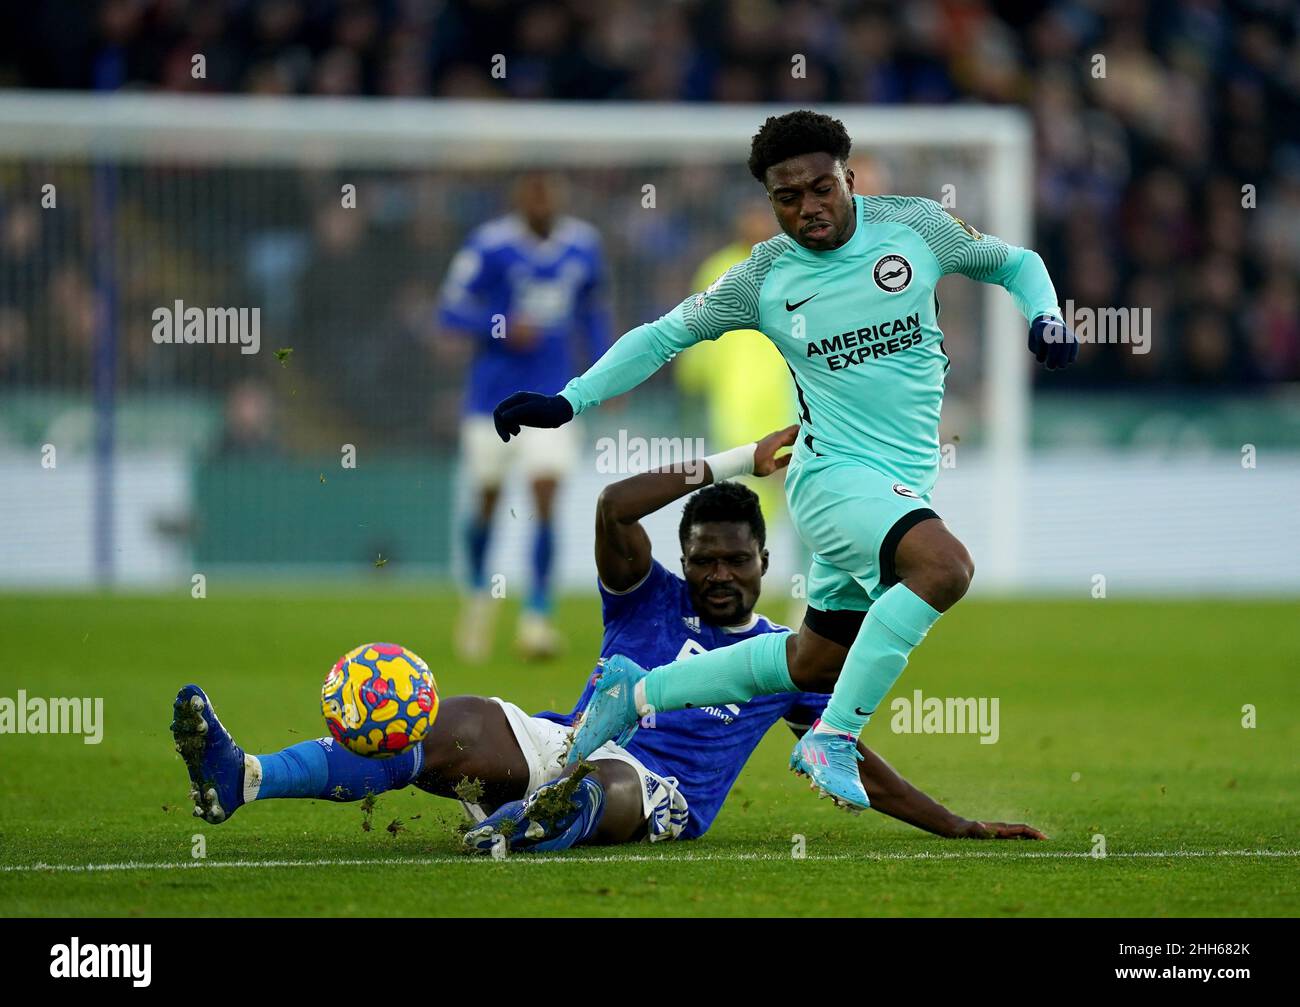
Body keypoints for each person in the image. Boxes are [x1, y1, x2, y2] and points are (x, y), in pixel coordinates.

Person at [492, 109, 1079, 811]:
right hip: (831, 477)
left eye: (820, 188)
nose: (807, 208)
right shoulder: (762, 278)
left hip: (898, 480)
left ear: (849, 178)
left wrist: (1046, 314)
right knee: (943, 568)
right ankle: (832, 735)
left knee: (811, 658)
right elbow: (660, 337)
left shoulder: (917, 228)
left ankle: (636, 690)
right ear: (769, 200)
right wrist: (569, 400)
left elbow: (1016, 263)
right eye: (787, 196)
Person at [170, 428, 1045, 851]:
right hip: (558, 740)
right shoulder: (642, 596)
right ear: (685, 556)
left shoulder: (793, 653)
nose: (720, 575)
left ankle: (529, 827)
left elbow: (853, 754)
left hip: (659, 791)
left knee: (609, 781)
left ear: (764, 559)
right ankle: (245, 778)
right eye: (705, 559)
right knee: (450, 723)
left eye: (737, 560)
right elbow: (612, 507)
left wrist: (956, 824)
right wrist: (736, 460)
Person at [438, 172, 610, 661]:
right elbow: (450, 311)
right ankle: (477, 598)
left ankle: (537, 616)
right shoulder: (489, 246)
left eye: (551, 195)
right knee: (488, 501)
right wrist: (500, 328)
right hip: (490, 398)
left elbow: (592, 312)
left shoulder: (583, 246)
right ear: (519, 201)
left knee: (545, 494)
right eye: (534, 196)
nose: (543, 204)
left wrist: (605, 368)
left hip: (555, 397)